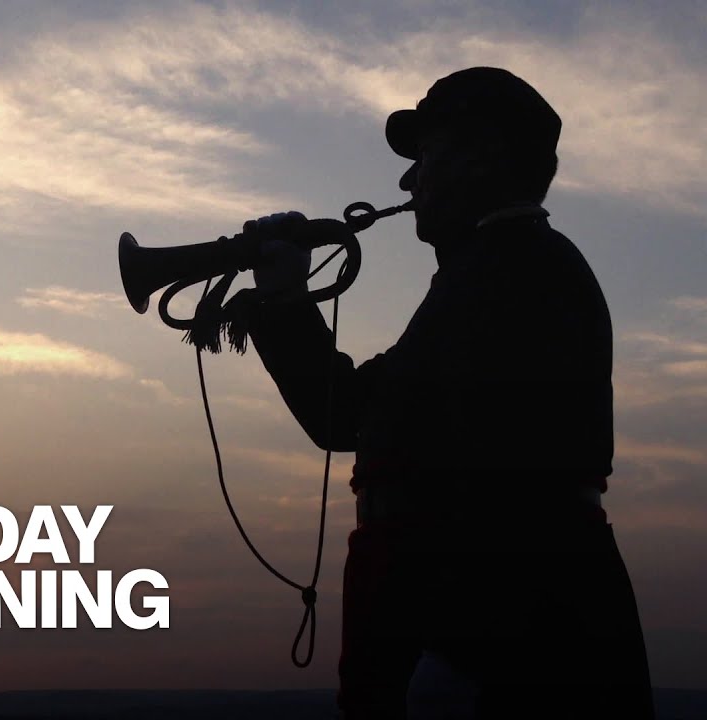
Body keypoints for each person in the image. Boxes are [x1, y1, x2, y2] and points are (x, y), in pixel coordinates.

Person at [243, 67, 654, 718]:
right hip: (439, 620)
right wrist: (286, 301)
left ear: (483, 157)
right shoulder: (485, 274)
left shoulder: (520, 274)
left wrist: (463, 655)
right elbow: (350, 418)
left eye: (426, 157)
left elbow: (518, 491)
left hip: (484, 641)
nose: (409, 181)